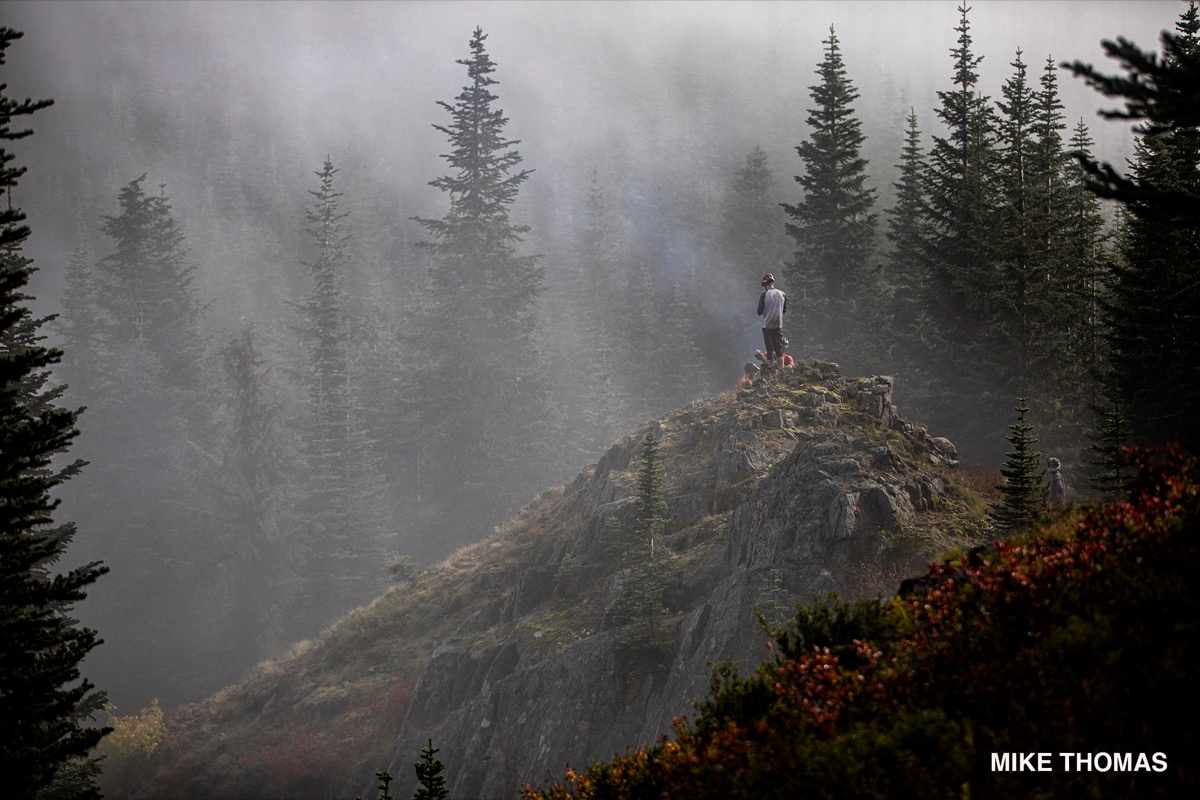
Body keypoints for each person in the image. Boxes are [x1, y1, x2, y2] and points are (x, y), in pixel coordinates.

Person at [757, 272, 787, 368]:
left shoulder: (764, 294)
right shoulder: (783, 294)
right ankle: (781, 372)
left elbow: (759, 312)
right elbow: (784, 310)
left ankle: (771, 372)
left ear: (765, 284)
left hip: (767, 325)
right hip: (778, 325)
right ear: (772, 282)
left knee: (769, 350)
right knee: (779, 350)